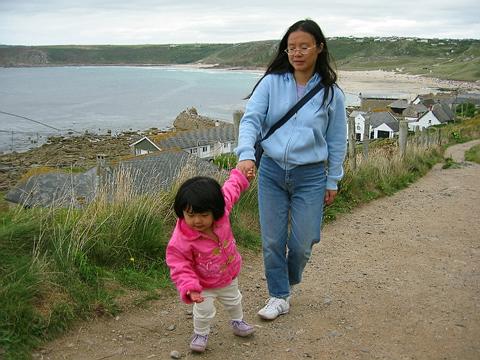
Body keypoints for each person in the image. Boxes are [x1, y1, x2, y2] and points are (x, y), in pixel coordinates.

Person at [235, 19, 347, 321]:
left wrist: (333, 179)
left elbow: (337, 140)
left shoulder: (331, 93)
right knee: (272, 240)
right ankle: (279, 295)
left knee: (303, 241)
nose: (296, 53)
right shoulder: (271, 82)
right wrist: (246, 154)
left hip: (311, 176)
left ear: (319, 48)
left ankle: (286, 279)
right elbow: (251, 120)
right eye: (291, 47)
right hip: (271, 170)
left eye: (304, 46)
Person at [166, 168, 256, 353]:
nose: (197, 221)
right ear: (182, 212)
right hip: (202, 284)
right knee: (203, 311)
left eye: (203, 215)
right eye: (190, 215)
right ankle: (201, 333)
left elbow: (231, 189)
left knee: (234, 300)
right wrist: (190, 288)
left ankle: (237, 322)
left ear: (215, 210)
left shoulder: (222, 212)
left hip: (228, 275)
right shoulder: (181, 238)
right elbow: (179, 265)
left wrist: (241, 175)